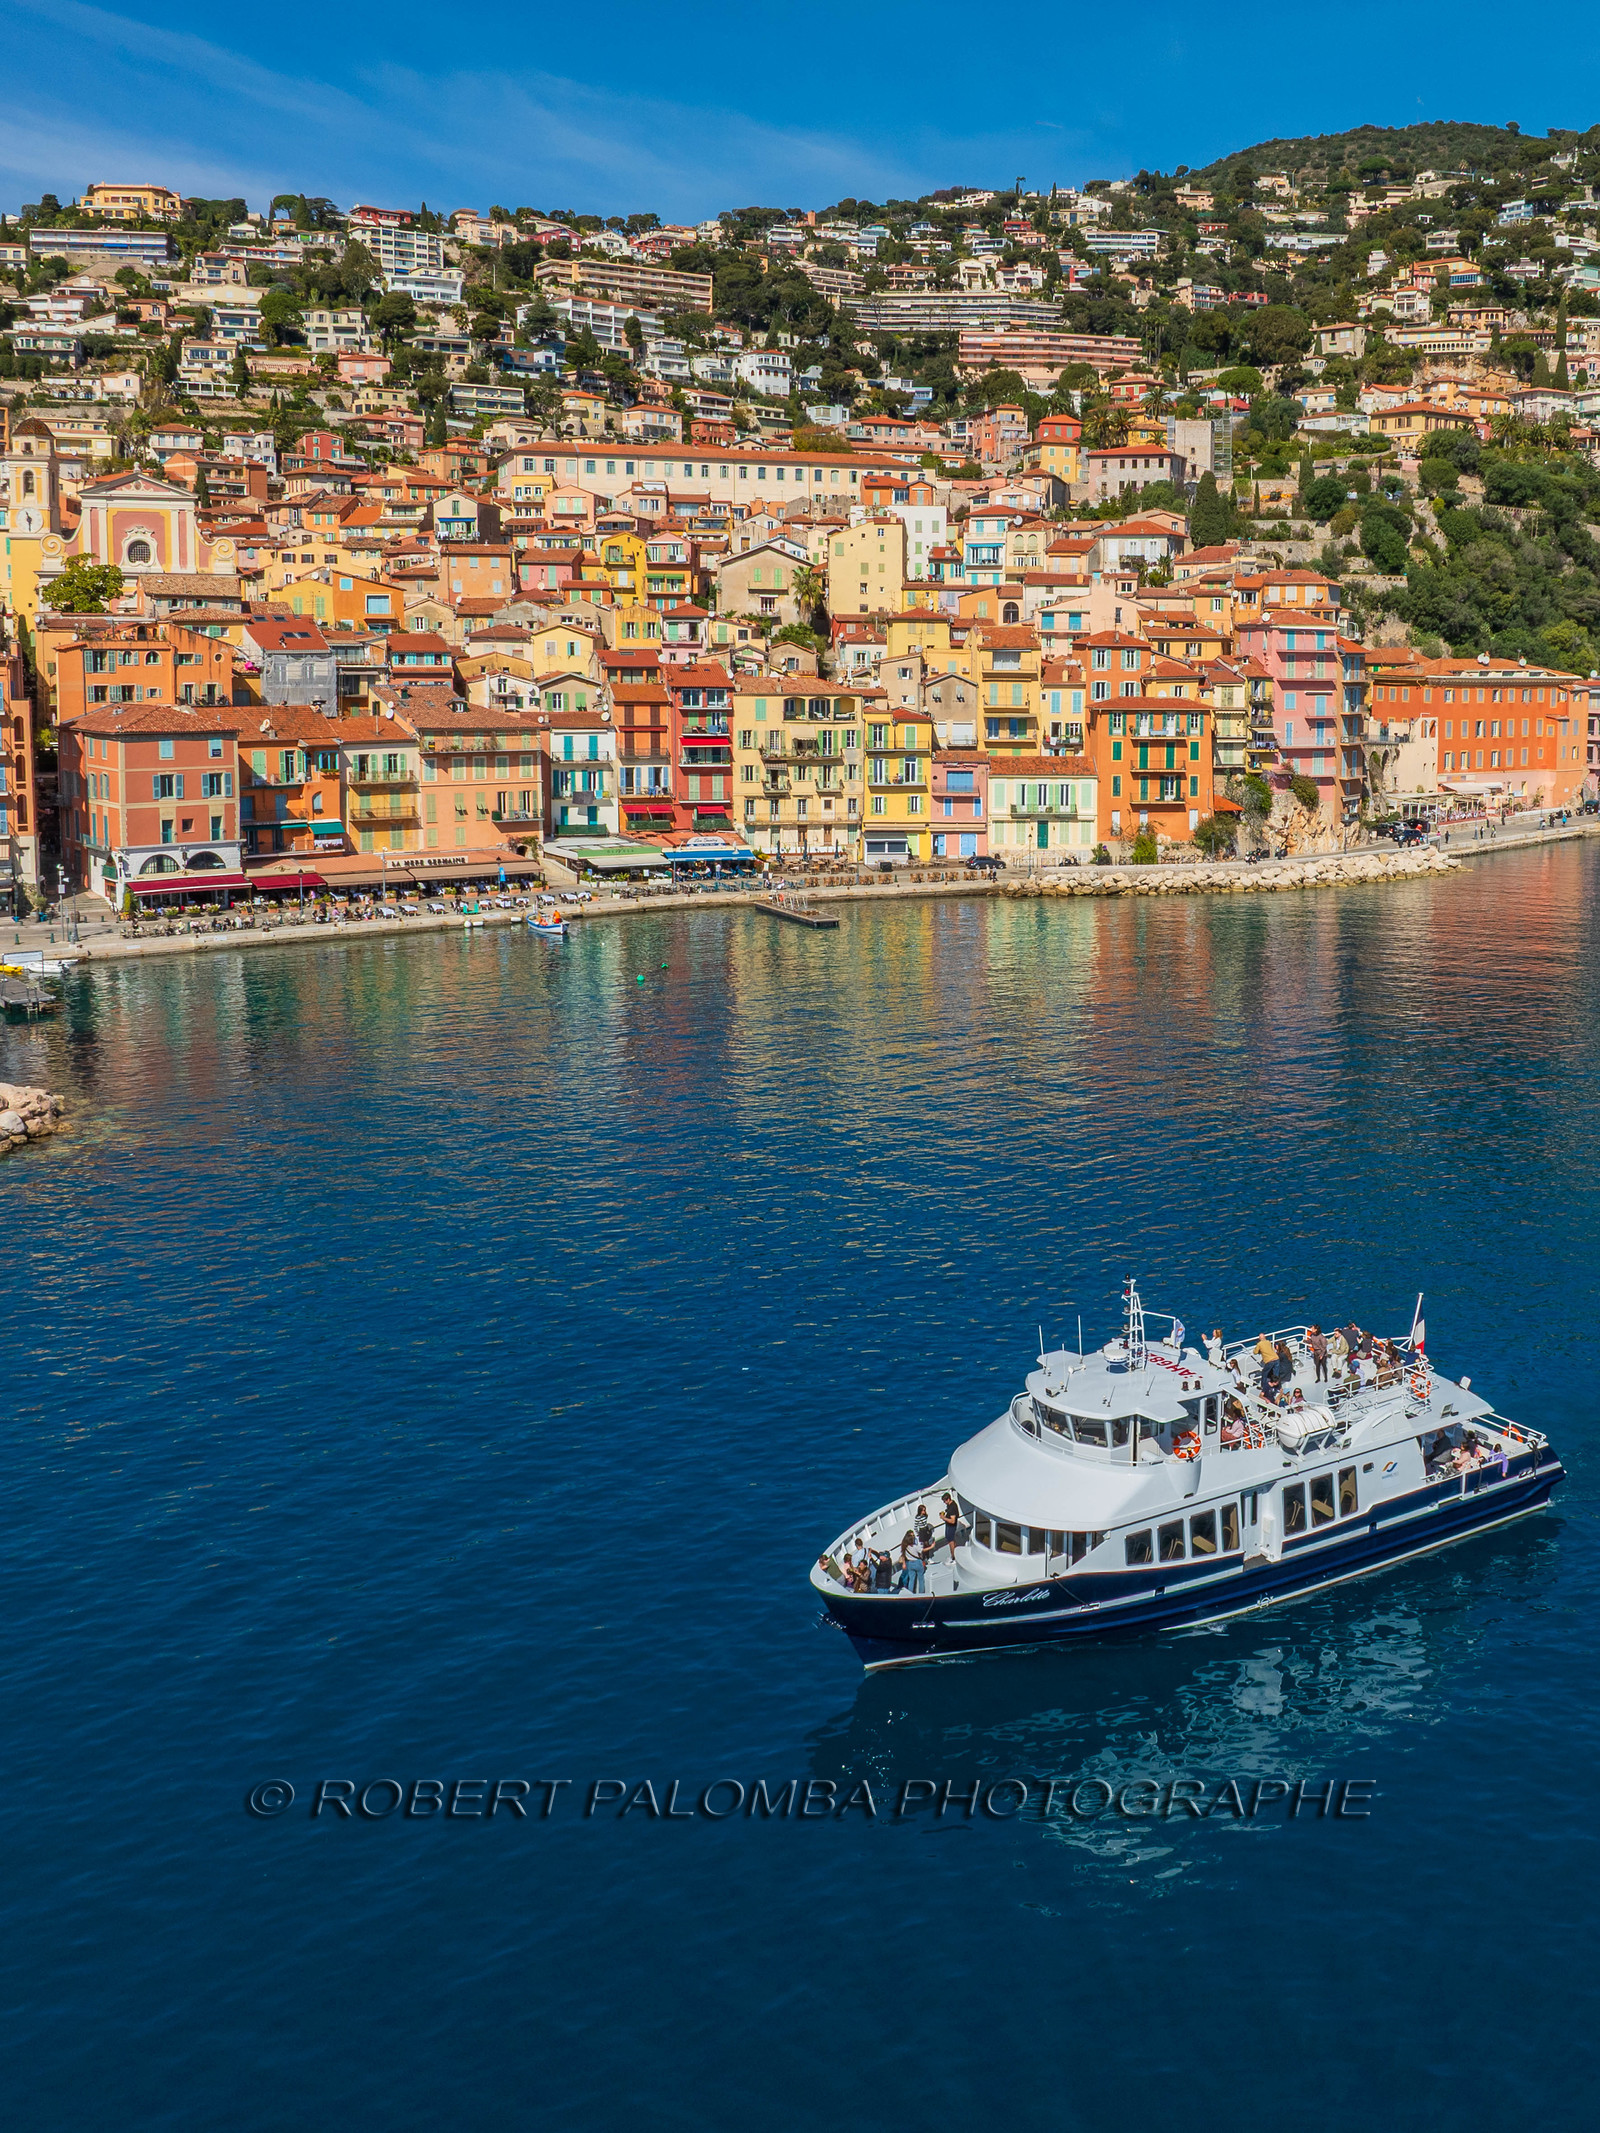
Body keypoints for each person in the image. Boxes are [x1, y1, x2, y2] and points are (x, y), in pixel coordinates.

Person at [897, 1529, 926, 1595]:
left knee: (911, 1579)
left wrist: (904, 1564)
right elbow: (921, 1551)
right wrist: (931, 1546)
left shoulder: (904, 1545)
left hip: (910, 1563)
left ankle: (910, 1593)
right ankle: (921, 1594)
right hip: (916, 1562)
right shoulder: (914, 1546)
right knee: (921, 1579)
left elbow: (903, 1554)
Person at [941, 1493, 961, 1561]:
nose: (944, 1503)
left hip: (951, 1526)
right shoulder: (950, 1505)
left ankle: (953, 1557)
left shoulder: (952, 1508)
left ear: (948, 1499)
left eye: (945, 1501)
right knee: (951, 1540)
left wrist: (944, 1518)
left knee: (951, 1541)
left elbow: (952, 1521)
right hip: (949, 1526)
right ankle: (955, 1554)